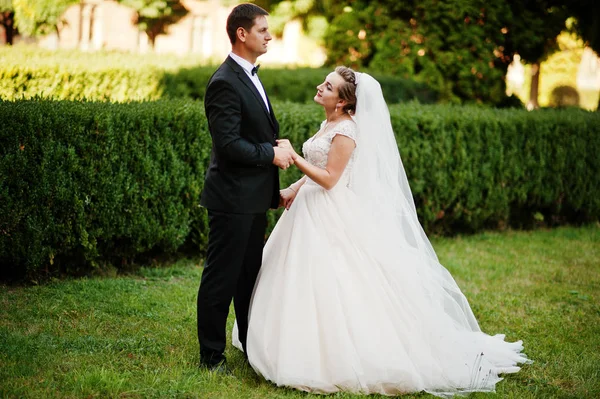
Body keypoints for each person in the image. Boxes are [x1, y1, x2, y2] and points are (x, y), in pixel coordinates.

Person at [232, 66, 530, 396]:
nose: (320, 87)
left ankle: (330, 353)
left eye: (328, 86)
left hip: (331, 211)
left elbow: (331, 178)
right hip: (307, 210)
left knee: (335, 282)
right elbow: (320, 167)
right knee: (296, 277)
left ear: (343, 102)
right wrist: (293, 188)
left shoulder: (346, 130)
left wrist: (292, 156)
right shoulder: (329, 122)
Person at [197, 3, 294, 372]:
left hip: (253, 199)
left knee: (250, 278)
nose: (269, 36)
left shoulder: (250, 75)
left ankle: (253, 349)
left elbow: (253, 132)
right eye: (263, 30)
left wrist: (272, 149)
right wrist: (270, 154)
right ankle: (211, 356)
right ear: (242, 33)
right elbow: (229, 145)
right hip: (232, 199)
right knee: (221, 278)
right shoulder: (224, 81)